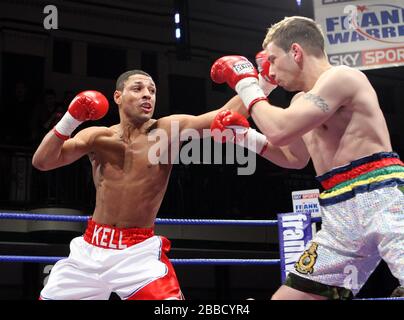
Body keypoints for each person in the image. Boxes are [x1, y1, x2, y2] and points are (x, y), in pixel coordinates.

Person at [209, 16, 404, 300]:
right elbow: (293, 157)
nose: (270, 72)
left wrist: (247, 84)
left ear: (296, 52)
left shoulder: (342, 78)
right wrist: (244, 137)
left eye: (273, 60)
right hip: (338, 210)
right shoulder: (299, 102)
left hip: (382, 197)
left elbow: (279, 129)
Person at [32, 69, 246, 300]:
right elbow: (43, 162)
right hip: (90, 250)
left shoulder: (168, 130)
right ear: (117, 96)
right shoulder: (98, 137)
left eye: (152, 91)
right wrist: (71, 119)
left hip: (138, 253)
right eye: (138, 89)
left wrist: (254, 82)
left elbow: (224, 116)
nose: (147, 95)